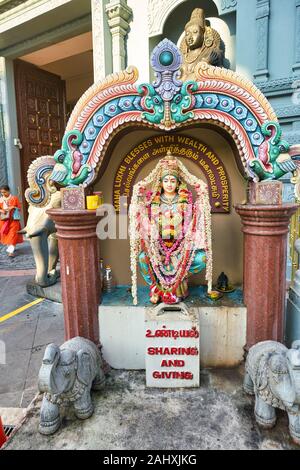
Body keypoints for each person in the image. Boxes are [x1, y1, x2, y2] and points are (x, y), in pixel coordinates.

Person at [129, 152, 212, 305]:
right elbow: (141, 216)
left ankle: (179, 284)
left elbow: (197, 215)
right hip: (158, 248)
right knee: (142, 258)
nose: (169, 184)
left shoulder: (185, 201)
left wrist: (202, 196)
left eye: (172, 180)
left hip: (181, 248)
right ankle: (155, 288)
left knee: (202, 259)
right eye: (166, 180)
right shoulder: (152, 201)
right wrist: (139, 198)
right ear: (160, 182)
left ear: (178, 183)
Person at [179, 8, 223, 81]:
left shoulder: (211, 53)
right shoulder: (182, 58)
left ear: (204, 34)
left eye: (195, 32)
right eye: (187, 34)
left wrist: (206, 63)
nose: (190, 37)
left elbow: (218, 73)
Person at [0, 185, 23, 257]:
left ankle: (11, 251)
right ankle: (11, 247)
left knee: (13, 234)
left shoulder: (14, 198)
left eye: (4, 192)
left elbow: (19, 208)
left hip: (13, 220)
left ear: (8, 191)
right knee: (6, 234)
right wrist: (1, 210)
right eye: (2, 192)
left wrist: (13, 207)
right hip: (4, 220)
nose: (3, 194)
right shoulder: (0, 199)